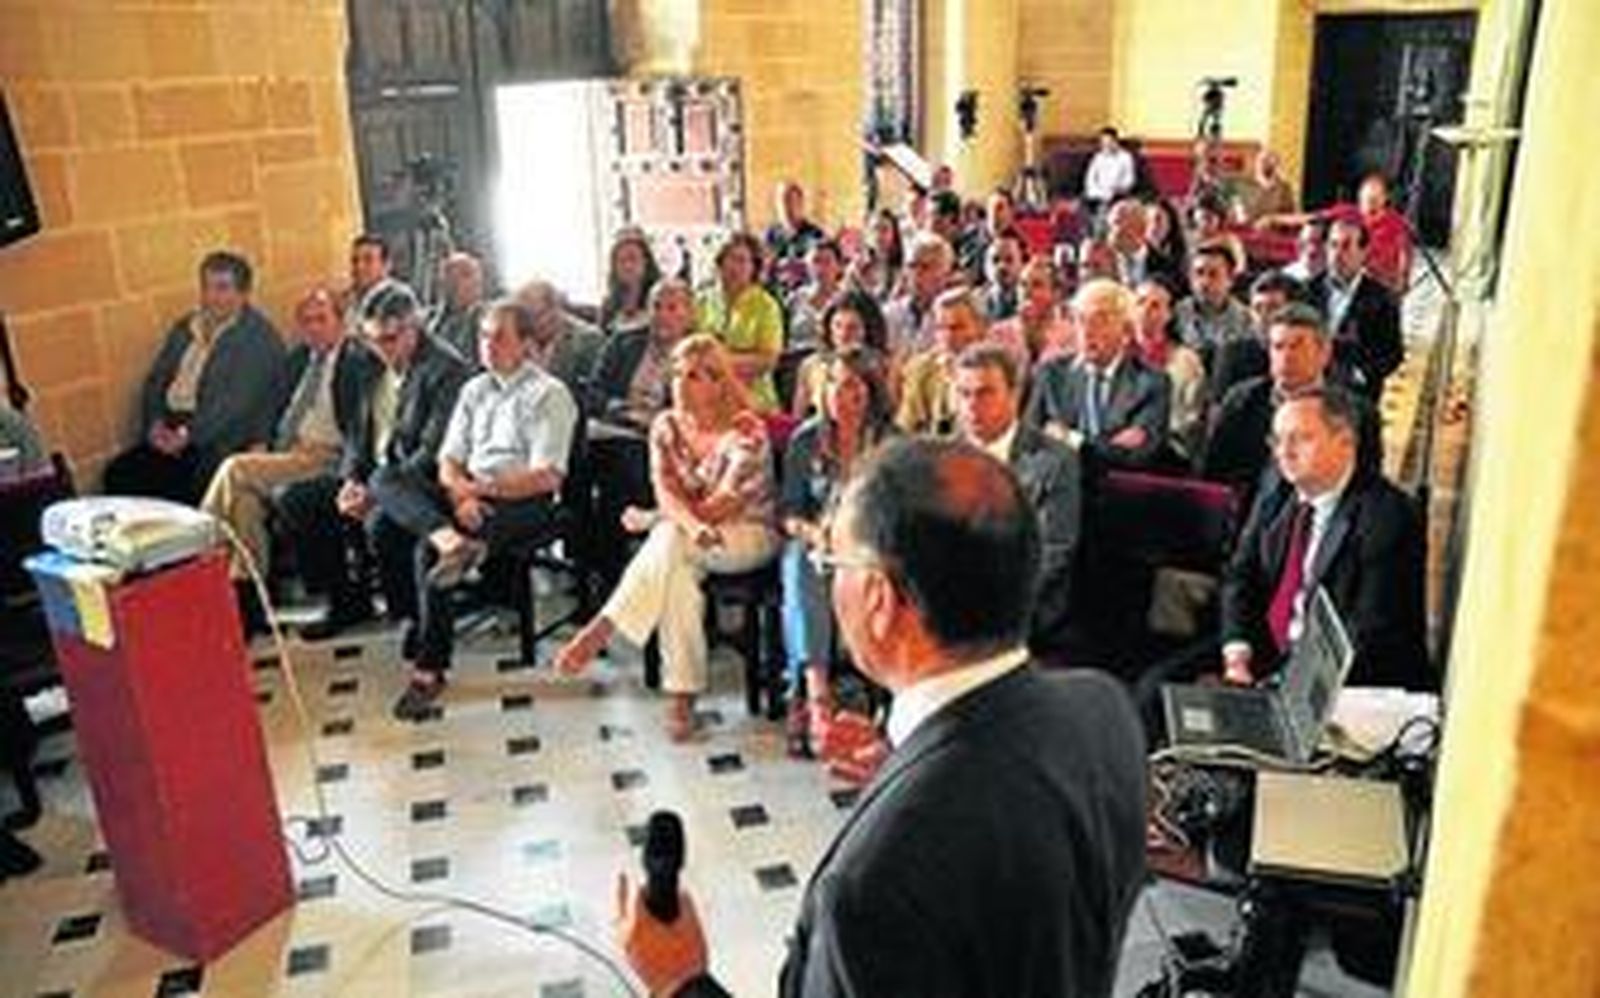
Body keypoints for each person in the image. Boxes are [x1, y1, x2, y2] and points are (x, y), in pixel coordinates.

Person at [616, 436, 1148, 997]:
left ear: (878, 597)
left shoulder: (873, 885)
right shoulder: (1105, 710)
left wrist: (680, 981)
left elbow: (952, 841)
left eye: (830, 563)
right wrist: (913, 764)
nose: (827, 581)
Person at [553, 335, 780, 741]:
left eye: (692, 377)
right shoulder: (666, 426)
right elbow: (667, 493)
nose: (679, 384)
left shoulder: (748, 430)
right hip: (688, 535)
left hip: (750, 531)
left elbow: (725, 503)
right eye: (676, 374)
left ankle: (607, 624)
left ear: (719, 383)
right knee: (676, 570)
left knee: (669, 538)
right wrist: (680, 523)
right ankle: (681, 695)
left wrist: (660, 520)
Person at [379, 300, 579, 721]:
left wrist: (479, 491)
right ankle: (451, 540)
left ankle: (429, 671)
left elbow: (547, 477)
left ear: (526, 344)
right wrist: (461, 499)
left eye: (499, 337)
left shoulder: (548, 393)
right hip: (470, 492)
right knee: (385, 479)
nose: (488, 345)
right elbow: (448, 460)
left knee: (426, 554)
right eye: (483, 336)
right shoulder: (474, 389)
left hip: (523, 500)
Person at [279, 284, 468, 641]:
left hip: (418, 482)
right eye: (372, 339)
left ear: (414, 327)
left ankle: (409, 614)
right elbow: (357, 431)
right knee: (295, 499)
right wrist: (352, 479)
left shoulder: (445, 370)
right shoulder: (367, 363)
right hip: (373, 475)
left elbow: (433, 450)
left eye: (390, 339)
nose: (382, 348)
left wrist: (378, 492)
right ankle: (346, 600)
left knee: (381, 523)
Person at [1220, 386, 1430, 691]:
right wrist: (1237, 654)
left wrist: (1283, 685)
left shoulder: (1387, 515)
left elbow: (1370, 633)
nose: (1285, 452)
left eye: (1301, 438)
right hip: (1265, 654)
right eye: (1277, 440)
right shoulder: (1276, 492)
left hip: (1342, 683)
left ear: (1345, 443)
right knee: (1157, 692)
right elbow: (1240, 576)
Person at [199, 288, 380, 631]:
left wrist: (353, 474)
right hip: (289, 453)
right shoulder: (298, 360)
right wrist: (261, 442)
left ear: (340, 323)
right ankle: (252, 604)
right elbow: (270, 407)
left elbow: (363, 425)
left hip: (328, 456)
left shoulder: (356, 361)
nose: (314, 328)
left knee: (234, 469)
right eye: (306, 321)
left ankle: (197, 546)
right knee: (245, 503)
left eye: (321, 319)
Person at [778, 346, 896, 756]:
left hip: (871, 546)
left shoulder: (892, 442)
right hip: (819, 543)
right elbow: (789, 513)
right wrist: (815, 534)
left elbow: (900, 512)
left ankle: (876, 691)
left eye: (857, 387)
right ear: (823, 392)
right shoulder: (805, 440)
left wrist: (861, 541)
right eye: (838, 386)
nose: (847, 396)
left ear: (872, 393)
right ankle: (815, 693)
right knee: (799, 563)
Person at [103, 251, 288, 503]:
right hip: (172, 426)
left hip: (216, 441)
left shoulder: (258, 338)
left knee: (171, 488)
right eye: (206, 287)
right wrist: (154, 423)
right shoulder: (185, 327)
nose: (211, 297)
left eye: (222, 288)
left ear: (243, 293)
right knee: (118, 473)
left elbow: (233, 405)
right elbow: (156, 379)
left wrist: (186, 435)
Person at [952, 344, 1081, 654]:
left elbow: (1054, 552)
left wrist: (988, 601)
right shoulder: (941, 456)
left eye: (985, 393)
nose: (972, 406)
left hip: (1021, 607)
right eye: (964, 394)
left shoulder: (1055, 461)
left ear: (1014, 394)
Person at [1201, 303, 1380, 498]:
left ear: (1324, 353)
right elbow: (1213, 477)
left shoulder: (1356, 413)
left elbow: (1365, 491)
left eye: (1297, 346)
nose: (1286, 357)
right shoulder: (1241, 401)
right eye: (1278, 347)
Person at [587, 278, 698, 585]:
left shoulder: (698, 351)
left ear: (689, 313)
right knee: (587, 464)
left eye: (672, 308)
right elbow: (593, 390)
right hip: (613, 426)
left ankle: (614, 571)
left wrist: (658, 421)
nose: (662, 315)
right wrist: (617, 407)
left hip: (661, 436)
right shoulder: (624, 342)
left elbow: (700, 409)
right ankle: (607, 566)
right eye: (656, 307)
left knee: (619, 471)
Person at [1025, 278, 1171, 469]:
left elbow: (1138, 456)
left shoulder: (1150, 383)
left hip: (1117, 486)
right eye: (1081, 320)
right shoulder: (1051, 375)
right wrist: (1109, 445)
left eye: (1100, 320)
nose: (1087, 331)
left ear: (1126, 331)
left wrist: (1071, 440)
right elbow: (1029, 444)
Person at [1309, 217, 1404, 399]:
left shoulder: (1383, 299)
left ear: (1363, 252)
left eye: (1346, 246)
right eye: (1333, 245)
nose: (1337, 254)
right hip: (1311, 388)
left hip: (1356, 395)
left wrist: (1360, 375)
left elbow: (1393, 354)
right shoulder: (1307, 290)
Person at [697, 232, 785, 411]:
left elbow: (768, 360)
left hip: (754, 398)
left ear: (754, 267)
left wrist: (719, 361)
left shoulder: (766, 305)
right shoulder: (701, 300)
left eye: (743, 261)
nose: (735, 267)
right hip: (706, 396)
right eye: (730, 259)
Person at [1132, 276, 1207, 463]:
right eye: (1140, 302)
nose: (1145, 310)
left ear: (1169, 314)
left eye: (1155, 306)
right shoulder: (1115, 351)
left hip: (1165, 448)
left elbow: (1189, 418)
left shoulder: (1186, 361)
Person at [895, 287, 988, 435]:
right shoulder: (921, 369)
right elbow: (906, 428)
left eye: (957, 327)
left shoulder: (999, 369)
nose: (948, 336)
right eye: (940, 328)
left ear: (981, 327)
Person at [789, 289, 890, 418]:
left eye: (852, 328)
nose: (843, 335)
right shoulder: (811, 366)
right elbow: (798, 418)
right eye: (837, 326)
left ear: (868, 330)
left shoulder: (884, 366)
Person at [988, 256, 1074, 378]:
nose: (1026, 292)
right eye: (1022, 285)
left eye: (1037, 285)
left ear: (1056, 293)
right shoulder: (999, 334)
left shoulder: (1071, 334)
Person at [515, 280, 606, 392]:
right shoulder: (523, 340)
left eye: (539, 314)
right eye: (527, 318)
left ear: (556, 308)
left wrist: (541, 370)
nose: (534, 323)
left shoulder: (588, 339)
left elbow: (592, 391)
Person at [1173, 242, 1254, 364]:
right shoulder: (1176, 313)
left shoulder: (1246, 320)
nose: (1204, 282)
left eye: (1213, 274)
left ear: (1230, 279)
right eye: (1199, 273)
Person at [882, 231, 955, 360]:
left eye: (925, 267)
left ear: (945, 272)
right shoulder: (890, 314)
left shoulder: (957, 315)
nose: (916, 274)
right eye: (911, 266)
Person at [764, 181, 827, 295]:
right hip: (778, 292)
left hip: (805, 293)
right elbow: (766, 267)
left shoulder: (815, 234)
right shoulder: (771, 235)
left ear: (801, 204)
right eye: (783, 202)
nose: (788, 208)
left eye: (792, 202)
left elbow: (819, 267)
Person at [784, 238, 846, 351]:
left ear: (839, 266)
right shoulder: (795, 299)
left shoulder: (847, 299)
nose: (820, 268)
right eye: (816, 261)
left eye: (827, 262)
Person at [600, 226, 663, 336]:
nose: (628, 266)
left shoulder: (661, 298)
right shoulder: (609, 306)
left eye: (633, 258)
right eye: (622, 261)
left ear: (646, 261)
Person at [1107, 197, 1180, 289]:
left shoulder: (1165, 268)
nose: (1115, 231)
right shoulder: (1106, 264)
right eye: (1112, 225)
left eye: (1119, 222)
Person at [427, 252, 487, 363]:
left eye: (476, 275)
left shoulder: (484, 320)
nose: (475, 281)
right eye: (466, 275)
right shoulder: (427, 319)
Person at [848, 206, 904, 302]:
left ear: (894, 234)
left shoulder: (900, 267)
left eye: (884, 230)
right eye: (876, 228)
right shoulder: (862, 262)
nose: (879, 235)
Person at [1083, 126, 1137, 216]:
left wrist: (1116, 189)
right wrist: (1098, 192)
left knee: (1112, 205)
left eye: (1109, 142)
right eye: (1103, 143)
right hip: (1098, 194)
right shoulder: (1098, 157)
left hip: (1117, 194)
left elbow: (1129, 181)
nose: (1106, 146)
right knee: (1085, 202)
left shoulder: (1125, 157)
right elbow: (1089, 180)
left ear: (1115, 142)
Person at [1234, 148, 1297, 226]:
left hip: (1276, 231)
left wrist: (1273, 219)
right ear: (1255, 162)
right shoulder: (1244, 186)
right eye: (1261, 160)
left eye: (1269, 161)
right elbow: (1237, 215)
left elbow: (1291, 216)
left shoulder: (1284, 188)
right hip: (1249, 230)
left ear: (1276, 165)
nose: (1264, 164)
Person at [979, 228, 1025, 321]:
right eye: (995, 260)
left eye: (1009, 260)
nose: (1001, 266)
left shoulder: (1031, 300)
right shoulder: (977, 303)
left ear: (1022, 262)